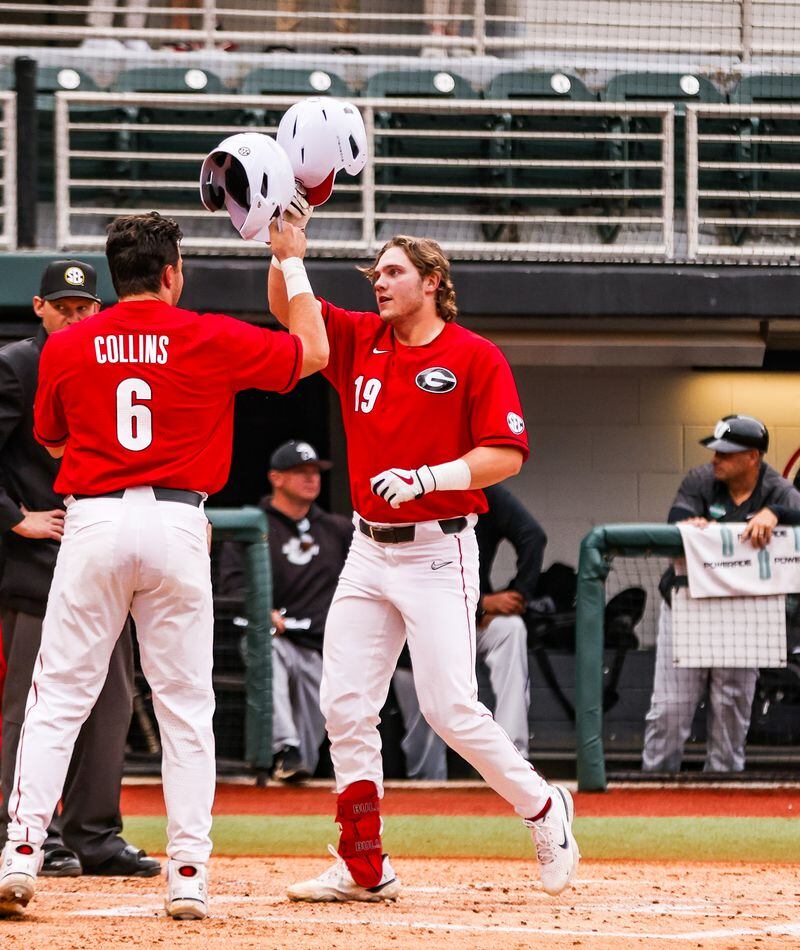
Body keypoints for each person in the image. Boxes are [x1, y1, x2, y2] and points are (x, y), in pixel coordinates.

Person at [0, 213, 328, 920]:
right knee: (186, 706)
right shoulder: (206, 332)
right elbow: (313, 353)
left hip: (94, 518)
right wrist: (290, 260)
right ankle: (187, 871)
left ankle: (21, 852)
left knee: (57, 697)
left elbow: (53, 442)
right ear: (173, 274)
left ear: (115, 278)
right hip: (180, 518)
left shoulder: (71, 340)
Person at [267, 223, 579, 902]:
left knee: (448, 708)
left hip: (440, 549)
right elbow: (290, 316)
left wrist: (428, 477)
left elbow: (507, 453)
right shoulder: (359, 337)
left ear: (432, 282)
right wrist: (285, 256)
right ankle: (363, 864)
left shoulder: (475, 355)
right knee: (344, 704)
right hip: (367, 549)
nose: (378, 282)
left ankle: (546, 808)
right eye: (374, 274)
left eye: (392, 272)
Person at [0, 260, 159, 880]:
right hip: (38, 564)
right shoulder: (18, 363)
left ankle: (93, 835)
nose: (75, 313)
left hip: (103, 554)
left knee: (112, 702)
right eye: (63, 304)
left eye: (85, 305)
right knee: (32, 705)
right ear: (38, 306)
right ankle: (22, 833)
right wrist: (16, 517)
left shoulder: (108, 360)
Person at [643, 414, 800, 774]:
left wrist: (775, 514)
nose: (716, 459)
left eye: (726, 453)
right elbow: (675, 522)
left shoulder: (776, 488)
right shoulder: (701, 479)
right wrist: (690, 527)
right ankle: (652, 788)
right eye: (716, 451)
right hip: (688, 607)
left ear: (753, 458)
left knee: (731, 712)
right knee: (671, 708)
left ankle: (723, 797)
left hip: (744, 614)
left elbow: (797, 509)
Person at [220, 439, 352, 783]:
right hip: (274, 637)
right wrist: (263, 610)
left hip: (322, 647)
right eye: (300, 472)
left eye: (315, 472)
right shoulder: (253, 525)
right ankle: (283, 750)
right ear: (276, 478)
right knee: (265, 649)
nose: (311, 478)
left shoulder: (337, 529)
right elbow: (232, 585)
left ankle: (292, 763)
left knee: (306, 750)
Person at [393, 482, 546, 777]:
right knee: (423, 732)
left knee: (510, 628)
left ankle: (512, 760)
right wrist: (481, 603)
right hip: (415, 626)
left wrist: (517, 596)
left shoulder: (475, 487)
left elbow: (533, 536)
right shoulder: (404, 490)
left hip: (472, 620)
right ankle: (428, 794)